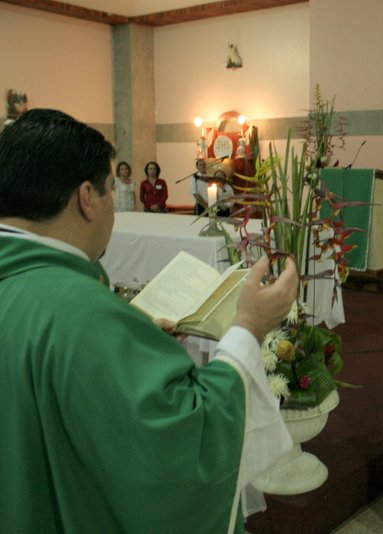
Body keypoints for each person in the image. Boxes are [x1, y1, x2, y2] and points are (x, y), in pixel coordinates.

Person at [0, 109, 300, 532]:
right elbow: (180, 447)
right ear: (86, 198)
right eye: (110, 189)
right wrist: (249, 326)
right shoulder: (81, 312)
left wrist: (130, 348)